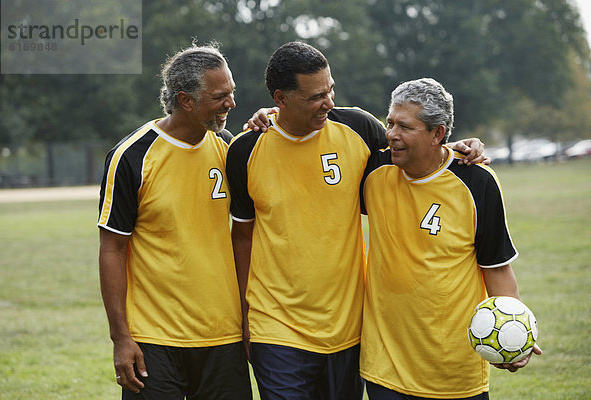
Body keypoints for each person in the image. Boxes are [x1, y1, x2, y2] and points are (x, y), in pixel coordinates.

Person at [225, 41, 485, 400]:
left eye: (330, 89)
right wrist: (245, 313)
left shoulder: (359, 127)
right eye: (316, 96)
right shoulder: (245, 150)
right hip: (276, 327)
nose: (329, 102)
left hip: (349, 327)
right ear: (281, 99)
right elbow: (242, 235)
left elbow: (414, 152)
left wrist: (458, 148)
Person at [360, 78, 542, 400]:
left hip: (454, 371)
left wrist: (516, 335)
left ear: (438, 134)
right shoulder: (374, 170)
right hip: (384, 369)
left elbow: (496, 267)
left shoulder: (476, 181)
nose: (392, 135)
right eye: (390, 123)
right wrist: (271, 113)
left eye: (405, 126)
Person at [97, 44, 252, 400]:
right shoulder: (131, 156)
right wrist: (121, 338)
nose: (231, 103)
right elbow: (112, 248)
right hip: (154, 340)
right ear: (185, 100)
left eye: (232, 92)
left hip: (222, 336)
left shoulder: (229, 148)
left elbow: (246, 233)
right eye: (220, 96)